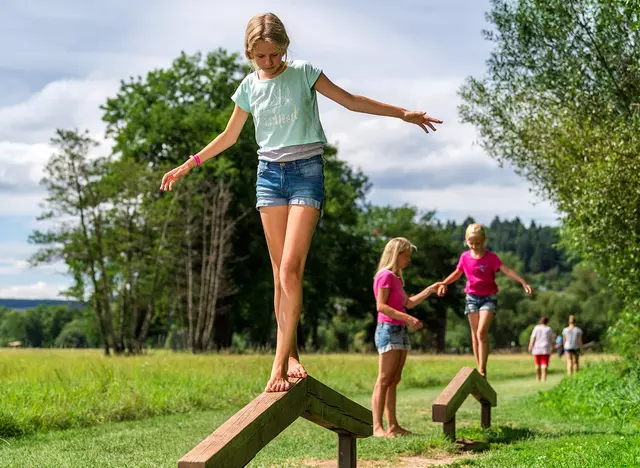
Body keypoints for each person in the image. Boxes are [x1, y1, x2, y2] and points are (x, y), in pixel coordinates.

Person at [159, 13, 443, 392]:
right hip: (268, 178)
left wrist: (402, 112)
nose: (268, 62)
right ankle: (290, 355)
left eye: (274, 54)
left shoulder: (305, 72)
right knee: (279, 274)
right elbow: (229, 136)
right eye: (259, 57)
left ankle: (278, 365)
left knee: (292, 268)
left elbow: (351, 101)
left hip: (306, 172)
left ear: (285, 47)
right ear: (249, 54)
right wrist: (187, 165)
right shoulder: (249, 87)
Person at [437, 224, 532, 378]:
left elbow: (506, 270)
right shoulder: (465, 257)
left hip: (488, 298)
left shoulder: (491, 258)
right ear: (466, 241)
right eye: (471, 243)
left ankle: (483, 368)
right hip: (472, 298)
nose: (474, 246)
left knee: (482, 332)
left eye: (478, 243)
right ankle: (479, 368)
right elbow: (457, 273)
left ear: (484, 240)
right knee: (475, 335)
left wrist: (523, 282)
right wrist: (443, 283)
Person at [372, 237, 442, 437]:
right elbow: (381, 306)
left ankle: (393, 425)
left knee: (394, 380)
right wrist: (409, 319)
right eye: (407, 256)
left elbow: (408, 303)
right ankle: (377, 427)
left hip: (399, 330)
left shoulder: (396, 278)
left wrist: (430, 289)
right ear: (397, 254)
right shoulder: (384, 276)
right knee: (384, 380)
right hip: (388, 330)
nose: (409, 260)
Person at [529, 316, 553, 381]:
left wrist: (530, 346)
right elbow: (551, 339)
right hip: (546, 348)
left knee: (537, 364)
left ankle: (538, 377)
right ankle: (544, 378)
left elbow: (533, 338)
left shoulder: (536, 328)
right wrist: (552, 347)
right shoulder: (549, 329)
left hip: (536, 348)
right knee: (544, 363)